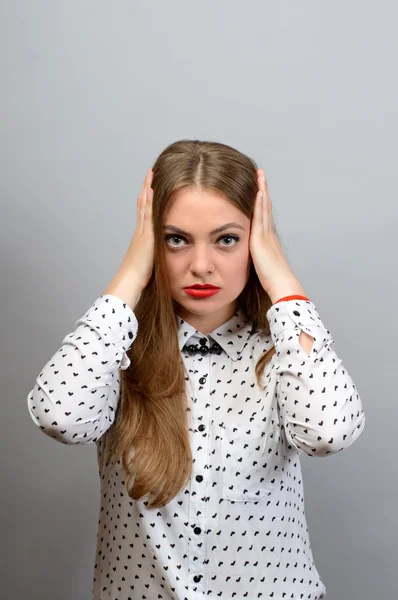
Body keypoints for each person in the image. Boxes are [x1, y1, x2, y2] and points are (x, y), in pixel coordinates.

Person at [27, 139, 366, 600]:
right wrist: (131, 274)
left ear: (256, 242)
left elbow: (329, 432)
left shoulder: (288, 350)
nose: (200, 266)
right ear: (151, 242)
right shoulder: (114, 351)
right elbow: (60, 417)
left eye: (227, 239)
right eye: (176, 240)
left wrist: (282, 279)